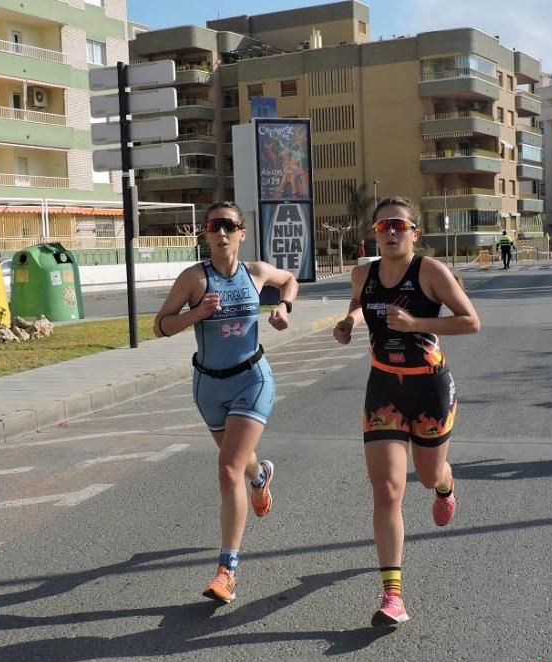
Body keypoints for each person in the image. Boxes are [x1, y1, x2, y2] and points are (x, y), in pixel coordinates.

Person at [332, 196, 480, 626]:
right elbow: (359, 308)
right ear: (374, 233)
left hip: (429, 385)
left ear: (415, 232)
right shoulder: (363, 273)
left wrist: (416, 325)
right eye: (383, 227)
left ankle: (445, 486)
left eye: (399, 225)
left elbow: (470, 321)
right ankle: (393, 595)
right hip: (383, 387)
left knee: (429, 473)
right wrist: (348, 325)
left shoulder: (430, 271)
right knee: (387, 489)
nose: (391, 232)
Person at [154, 201, 298, 603]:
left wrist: (284, 307)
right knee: (240, 462)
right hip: (209, 386)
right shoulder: (193, 278)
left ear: (241, 232)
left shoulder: (255, 273)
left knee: (228, 467)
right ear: (205, 232)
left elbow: (289, 282)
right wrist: (195, 313)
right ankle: (261, 478)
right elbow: (160, 326)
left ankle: (226, 570)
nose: (221, 233)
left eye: (229, 226)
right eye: (214, 226)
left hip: (252, 377)